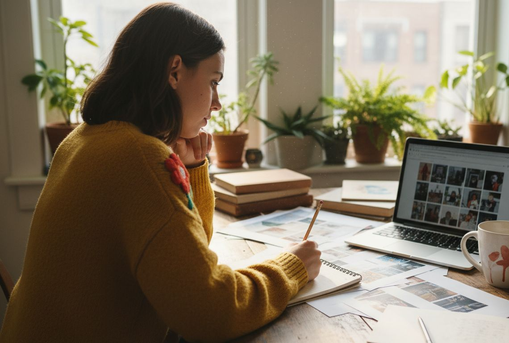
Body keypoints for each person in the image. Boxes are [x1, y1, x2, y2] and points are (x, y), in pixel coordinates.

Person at [0, 4, 322, 342]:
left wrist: (194, 168)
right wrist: (291, 267)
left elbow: (183, 262)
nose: (217, 103)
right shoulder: (139, 157)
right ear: (174, 71)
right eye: (213, 82)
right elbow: (211, 311)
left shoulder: (85, 138)